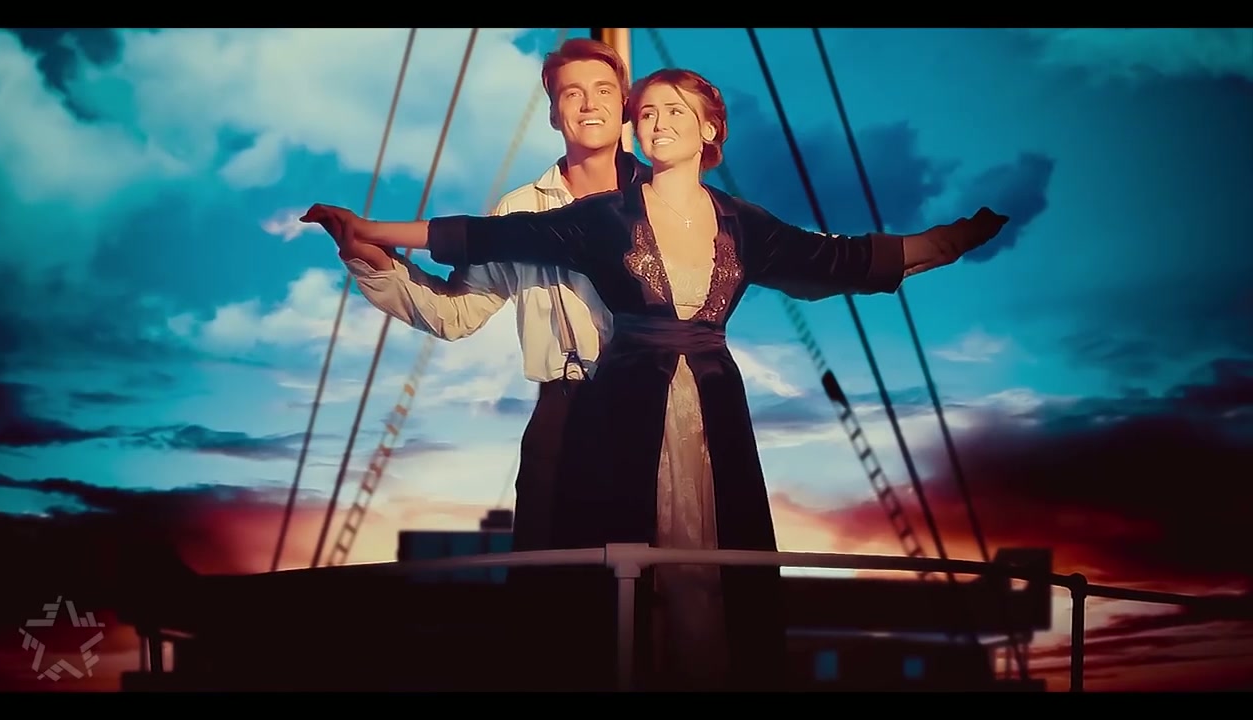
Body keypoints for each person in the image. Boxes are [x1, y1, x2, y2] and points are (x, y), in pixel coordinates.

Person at [304, 68, 1008, 691]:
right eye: (648, 112)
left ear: (709, 130)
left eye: (672, 110)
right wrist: (370, 232)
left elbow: (837, 260)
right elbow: (482, 240)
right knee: (595, 581)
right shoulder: (595, 216)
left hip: (714, 407)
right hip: (610, 408)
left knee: (716, 559)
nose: (655, 120)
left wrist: (947, 242)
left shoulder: (743, 222)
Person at [334, 37, 648, 555]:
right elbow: (455, 313)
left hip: (654, 407)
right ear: (553, 113)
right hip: (562, 411)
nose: (589, 104)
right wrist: (372, 258)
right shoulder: (520, 209)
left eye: (602, 90)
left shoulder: (662, 198)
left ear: (625, 104)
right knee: (551, 574)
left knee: (651, 572)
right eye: (571, 94)